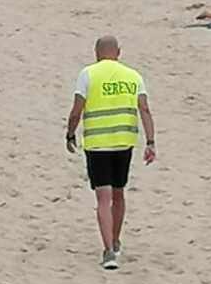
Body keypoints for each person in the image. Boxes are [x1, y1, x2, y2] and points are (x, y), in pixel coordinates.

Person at [65, 36, 156, 271]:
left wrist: (70, 133)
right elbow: (144, 108)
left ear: (96, 53)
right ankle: (115, 240)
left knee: (103, 198)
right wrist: (150, 141)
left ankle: (108, 252)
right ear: (119, 52)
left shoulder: (88, 74)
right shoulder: (133, 75)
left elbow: (77, 110)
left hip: (97, 143)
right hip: (124, 142)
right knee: (119, 194)